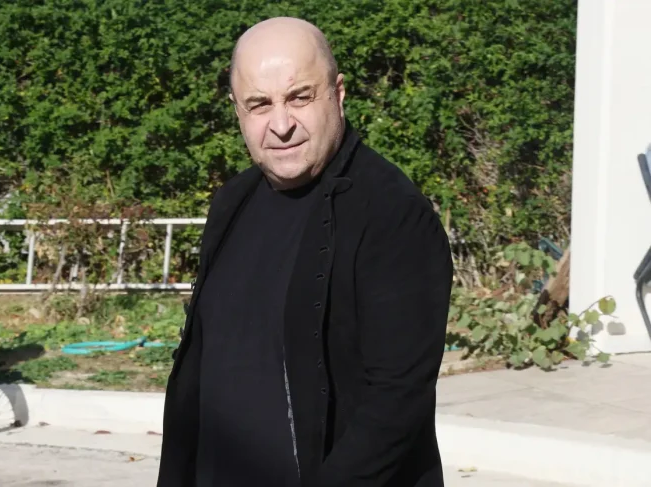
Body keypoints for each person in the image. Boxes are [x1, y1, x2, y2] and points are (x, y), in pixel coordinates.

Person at [157, 16, 453, 487]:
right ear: (237, 110)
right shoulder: (232, 201)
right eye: (259, 104)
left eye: (299, 97)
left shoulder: (391, 212)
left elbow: (396, 400)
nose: (281, 125)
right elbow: (201, 368)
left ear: (338, 93)